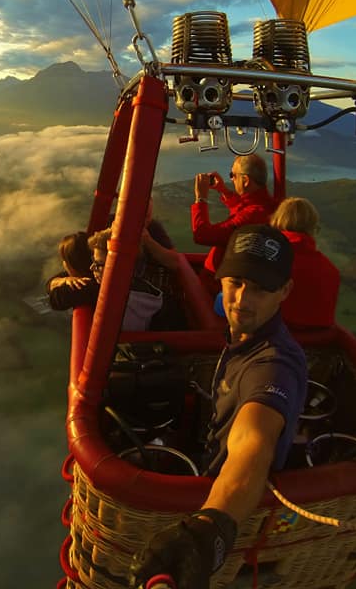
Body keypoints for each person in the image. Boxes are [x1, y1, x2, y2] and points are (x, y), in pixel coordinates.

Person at [130, 224, 307, 589]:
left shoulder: (272, 364)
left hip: (218, 495)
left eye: (260, 288)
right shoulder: (245, 338)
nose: (242, 299)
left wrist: (209, 528)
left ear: (285, 291)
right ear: (220, 279)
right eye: (236, 282)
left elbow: (253, 447)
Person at [192, 154, 277, 275]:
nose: (231, 179)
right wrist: (223, 190)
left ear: (246, 180)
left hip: (218, 286)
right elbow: (243, 210)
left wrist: (200, 199)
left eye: (233, 175)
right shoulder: (266, 206)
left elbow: (202, 235)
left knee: (177, 261)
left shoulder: (253, 215)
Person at [271, 197, 341, 328]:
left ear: (277, 222)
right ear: (312, 228)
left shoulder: (269, 260)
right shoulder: (331, 269)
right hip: (318, 341)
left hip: (276, 337)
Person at [46, 231, 99, 311]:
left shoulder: (85, 286)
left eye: (64, 260)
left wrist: (63, 282)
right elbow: (49, 283)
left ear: (72, 264)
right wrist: (64, 280)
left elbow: (54, 300)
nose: (63, 264)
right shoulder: (94, 273)